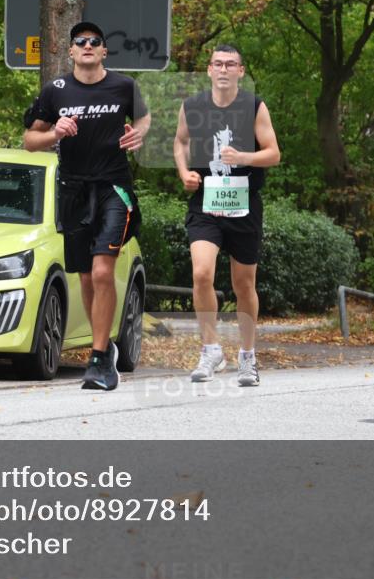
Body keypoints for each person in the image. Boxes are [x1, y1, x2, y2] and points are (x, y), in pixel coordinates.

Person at [23, 21, 151, 390]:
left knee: (101, 270)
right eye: (80, 41)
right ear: (71, 51)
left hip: (114, 188)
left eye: (95, 41)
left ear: (104, 50)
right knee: (85, 276)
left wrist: (138, 133)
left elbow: (143, 117)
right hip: (73, 190)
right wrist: (55, 132)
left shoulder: (123, 86)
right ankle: (104, 347)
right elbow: (30, 140)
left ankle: (97, 359)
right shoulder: (56, 90)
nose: (88, 45)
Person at [173, 44, 280, 386]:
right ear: (208, 70)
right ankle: (211, 350)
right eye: (217, 64)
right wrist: (184, 173)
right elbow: (181, 142)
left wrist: (244, 158)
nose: (223, 69)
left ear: (240, 71)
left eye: (230, 64)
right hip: (205, 203)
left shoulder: (254, 106)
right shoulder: (193, 106)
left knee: (243, 284)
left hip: (243, 204)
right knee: (201, 273)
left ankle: (247, 356)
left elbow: (273, 153)